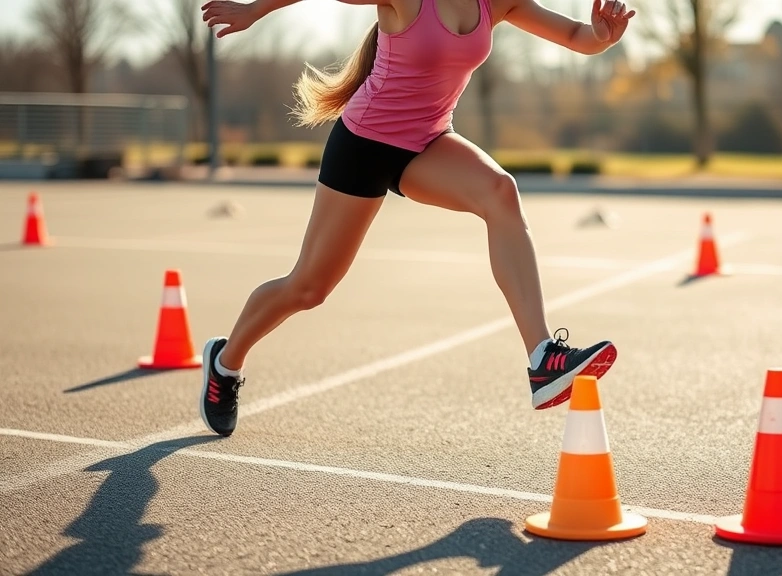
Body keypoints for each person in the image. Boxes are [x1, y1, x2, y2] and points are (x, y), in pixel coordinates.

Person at [198, 0, 636, 437]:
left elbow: (577, 37)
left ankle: (542, 358)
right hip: (365, 146)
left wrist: (601, 35)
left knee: (501, 192)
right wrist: (254, 11)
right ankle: (225, 360)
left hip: (429, 143)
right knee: (308, 287)